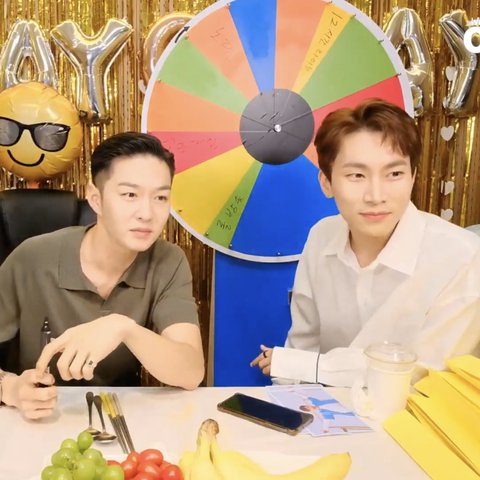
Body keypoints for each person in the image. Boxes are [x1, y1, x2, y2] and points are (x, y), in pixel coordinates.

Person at [251, 99, 480, 386]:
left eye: (394, 174)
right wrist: (290, 386)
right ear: (326, 182)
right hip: (326, 410)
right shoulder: (321, 236)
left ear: (413, 177)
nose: (376, 195)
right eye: (357, 175)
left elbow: (424, 373)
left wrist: (306, 366)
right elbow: (302, 348)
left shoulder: (462, 256)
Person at [0, 132, 204, 419]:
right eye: (130, 195)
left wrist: (123, 328)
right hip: (36, 419)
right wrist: (9, 388)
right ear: (95, 199)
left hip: (120, 418)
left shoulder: (167, 260)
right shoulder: (31, 258)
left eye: (160, 197)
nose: (147, 213)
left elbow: (191, 371)